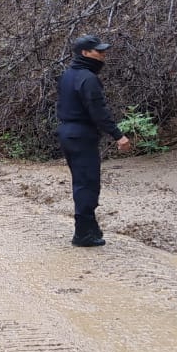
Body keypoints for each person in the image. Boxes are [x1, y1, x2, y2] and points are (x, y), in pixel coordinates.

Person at [55, 34, 131, 247]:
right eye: (99, 51)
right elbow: (98, 112)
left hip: (67, 132)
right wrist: (119, 135)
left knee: (82, 181)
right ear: (85, 53)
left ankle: (89, 228)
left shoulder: (67, 75)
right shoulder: (87, 78)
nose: (103, 54)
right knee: (87, 183)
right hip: (81, 135)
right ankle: (84, 234)